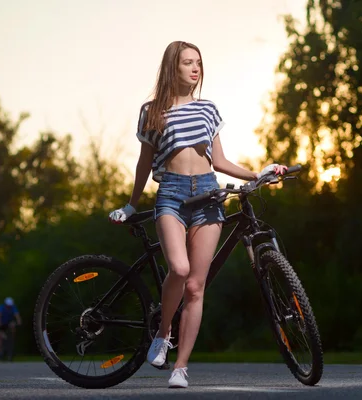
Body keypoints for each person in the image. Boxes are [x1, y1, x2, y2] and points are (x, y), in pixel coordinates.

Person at [108, 41, 287, 389]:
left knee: (195, 286)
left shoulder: (207, 109)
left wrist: (257, 173)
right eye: (188, 63)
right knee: (179, 268)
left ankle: (181, 367)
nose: (195, 69)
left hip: (208, 194)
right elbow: (145, 162)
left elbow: (219, 162)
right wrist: (131, 204)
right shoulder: (153, 111)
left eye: (199, 63)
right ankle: (163, 335)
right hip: (171, 195)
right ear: (171, 68)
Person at [0, 297, 22, 361]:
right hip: (2, 324)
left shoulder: (13, 308)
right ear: (5, 304)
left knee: (13, 327)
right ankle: (0, 352)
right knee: (0, 337)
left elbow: (17, 316)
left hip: (9, 324)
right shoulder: (1, 307)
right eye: (8, 306)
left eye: (10, 306)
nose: (9, 307)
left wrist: (18, 322)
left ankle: (11, 343)